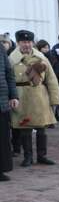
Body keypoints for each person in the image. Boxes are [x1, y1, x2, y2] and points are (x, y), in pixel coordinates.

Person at [9, 30, 59, 167]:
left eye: (29, 42)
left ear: (33, 43)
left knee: (41, 127)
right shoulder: (11, 59)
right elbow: (8, 80)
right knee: (25, 128)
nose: (26, 45)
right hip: (21, 96)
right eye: (23, 42)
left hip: (39, 95)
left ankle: (42, 156)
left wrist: (55, 99)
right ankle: (28, 157)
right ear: (18, 43)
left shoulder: (42, 57)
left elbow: (51, 79)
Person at [0, 42, 18, 181]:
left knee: (3, 137)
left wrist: (13, 95)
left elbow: (9, 73)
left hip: (2, 100)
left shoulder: (0, 48)